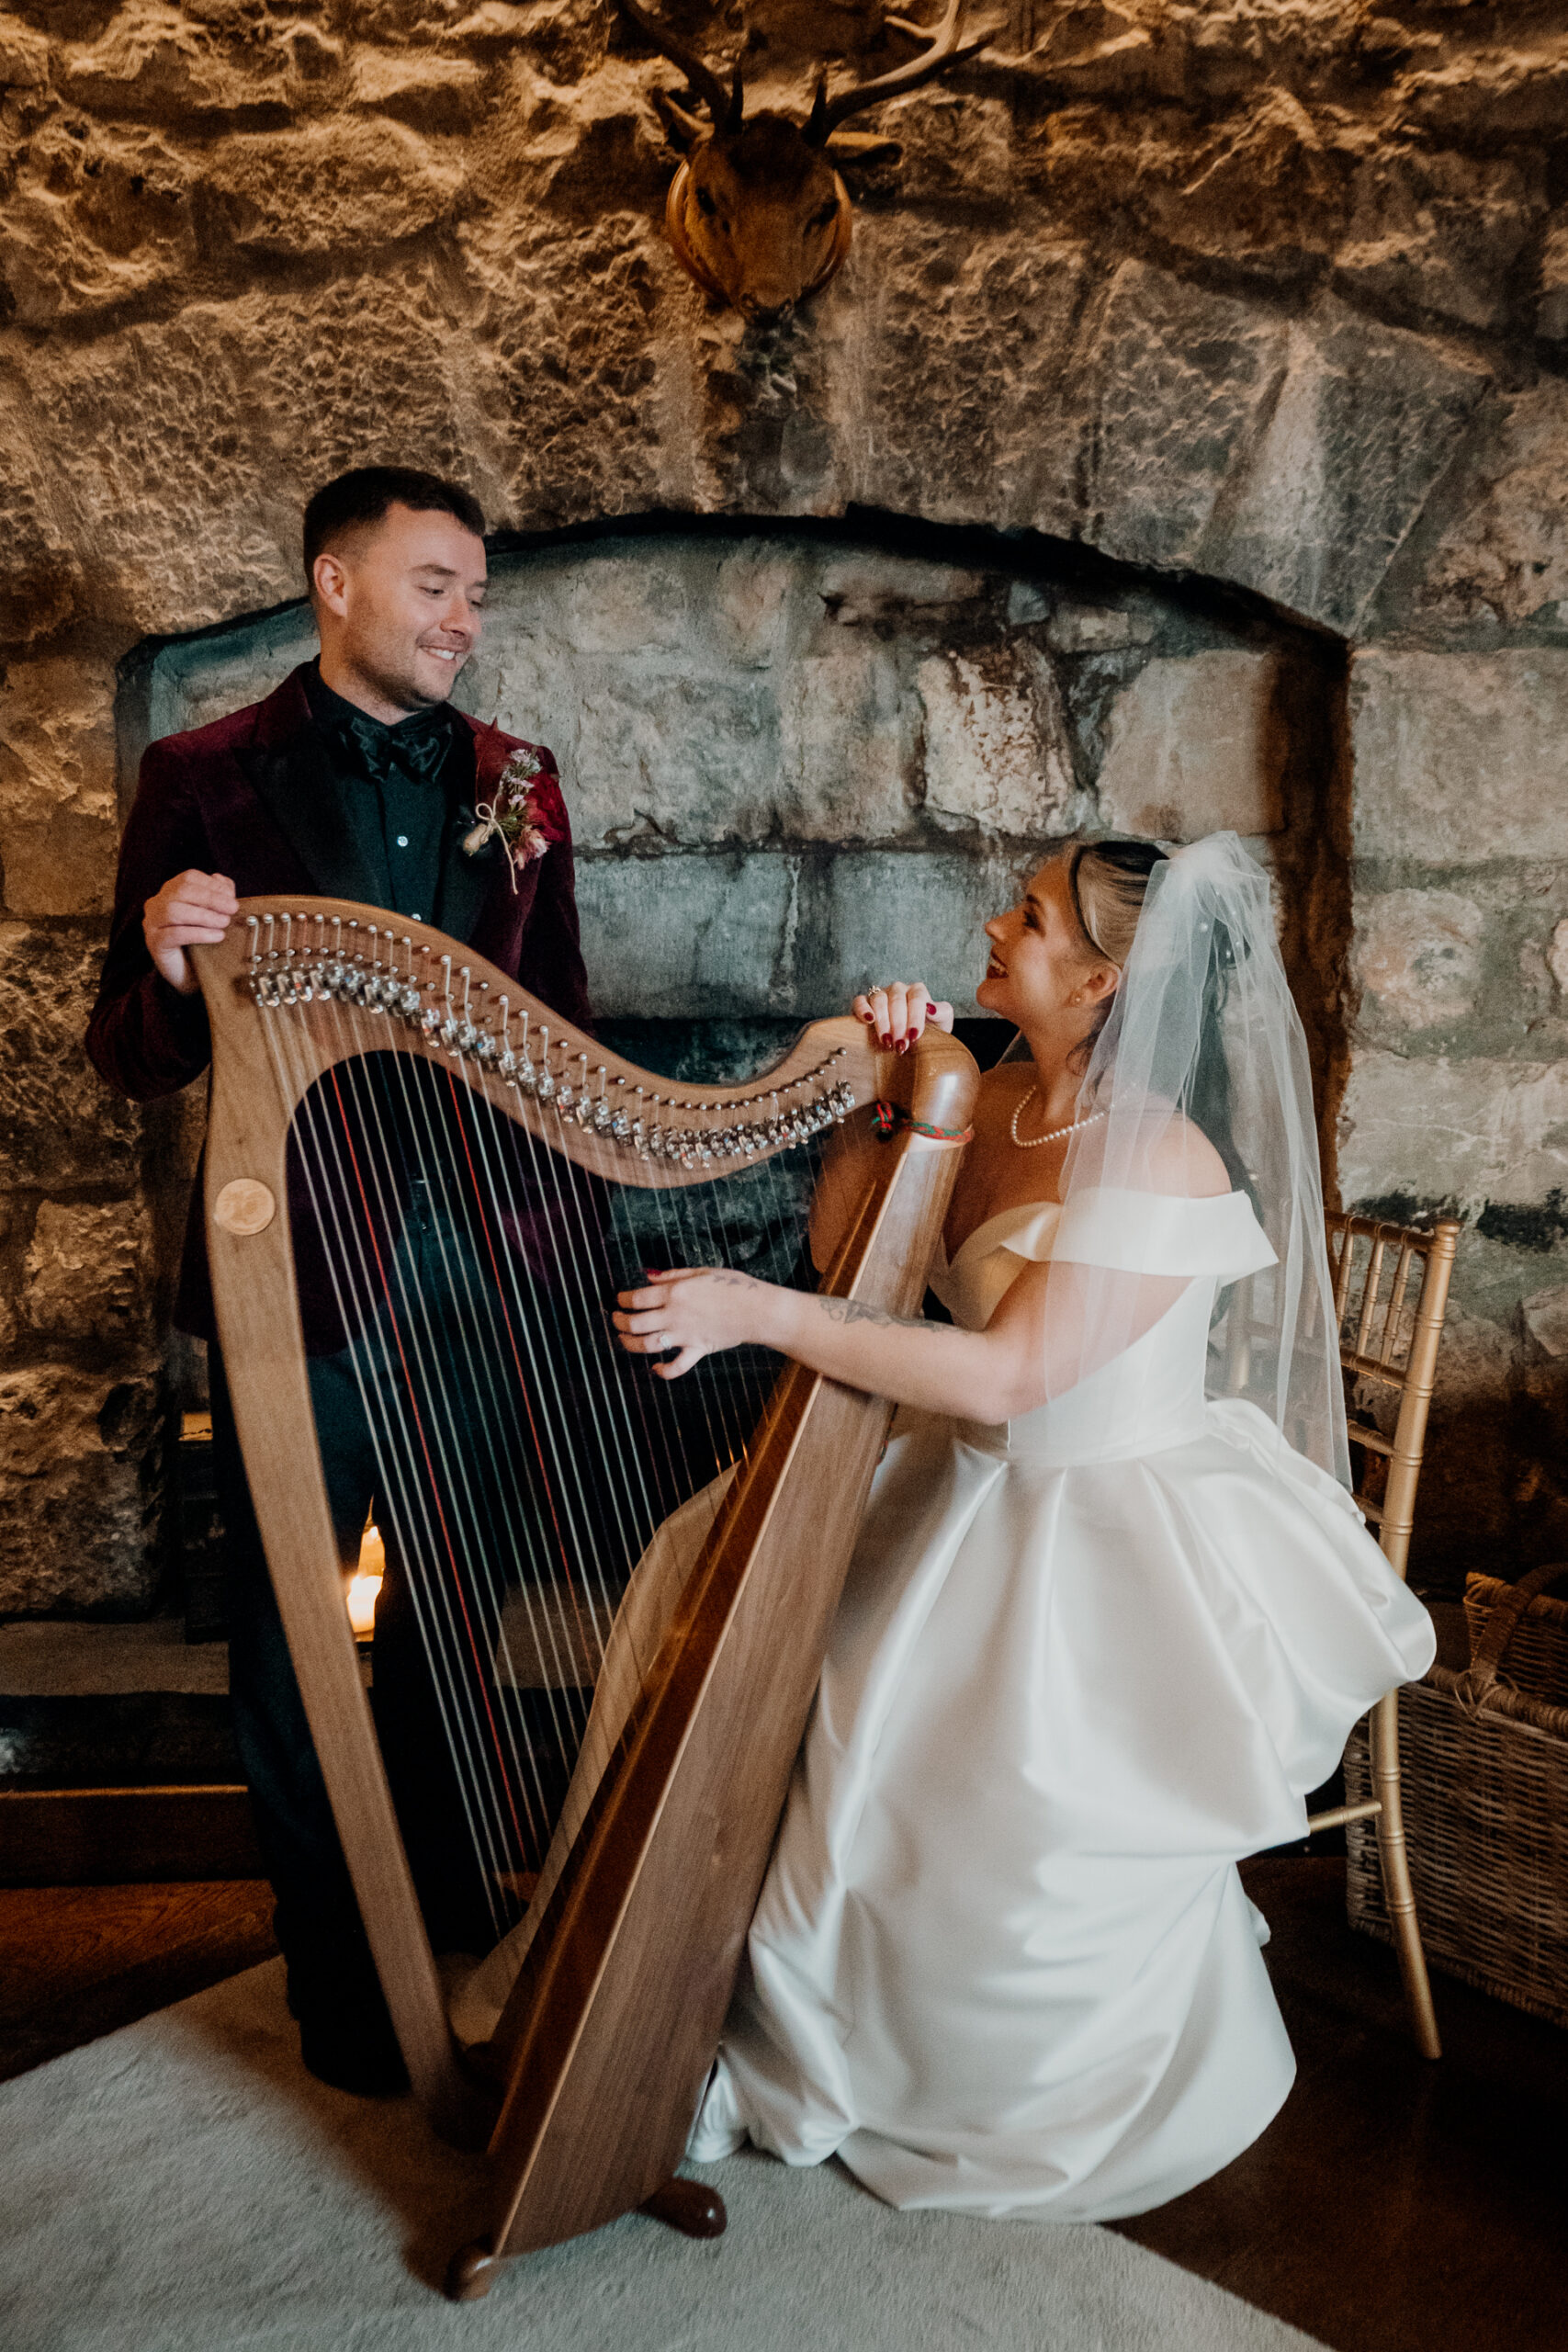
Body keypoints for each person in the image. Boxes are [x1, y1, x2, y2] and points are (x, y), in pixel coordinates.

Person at [611, 831, 1436, 2220]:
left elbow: (1008, 1374)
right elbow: (849, 1265)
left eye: (1035, 917)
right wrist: (857, 1102)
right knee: (732, 1610)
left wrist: (747, 1316)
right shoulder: (988, 1097)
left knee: (938, 1756)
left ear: (1110, 981)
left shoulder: (1156, 1158)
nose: (998, 923)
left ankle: (934, 2072)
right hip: (966, 1475)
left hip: (1095, 1519)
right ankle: (737, 2016)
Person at [87, 466, 592, 2095]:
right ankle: (335, 1966)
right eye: (437, 584)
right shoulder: (201, 776)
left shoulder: (522, 783)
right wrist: (166, 949)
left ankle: (436, 1900)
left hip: (478, 1278)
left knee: (454, 1615)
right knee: (297, 1636)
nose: (464, 619)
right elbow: (129, 1054)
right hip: (287, 1275)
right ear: (336, 583)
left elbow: (556, 1033)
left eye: (477, 594)